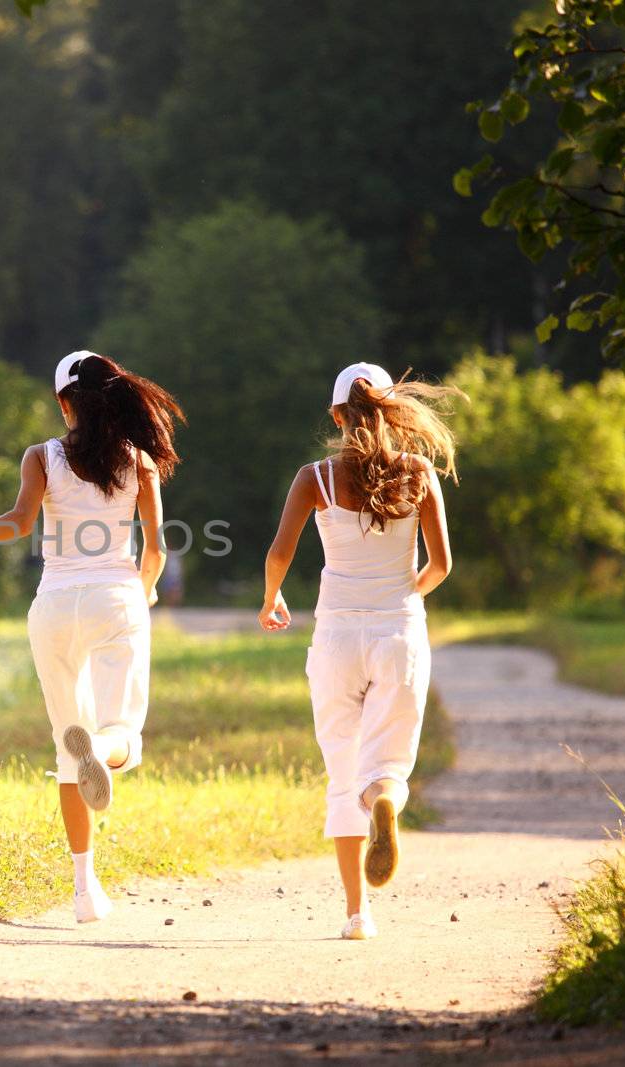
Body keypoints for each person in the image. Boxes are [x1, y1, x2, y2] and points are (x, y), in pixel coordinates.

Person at [0, 350, 183, 924]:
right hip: (117, 596)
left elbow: (16, 523)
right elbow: (156, 548)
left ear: (66, 403)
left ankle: (85, 891)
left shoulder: (43, 456)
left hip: (56, 604)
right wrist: (147, 589)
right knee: (122, 734)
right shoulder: (140, 461)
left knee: (69, 745)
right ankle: (105, 754)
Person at [257, 362, 460, 941]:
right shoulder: (418, 472)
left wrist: (272, 600)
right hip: (398, 632)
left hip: (337, 636)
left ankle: (356, 914)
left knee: (342, 769)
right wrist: (402, 597)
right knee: (386, 766)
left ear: (336, 416)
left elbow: (279, 553)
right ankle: (386, 803)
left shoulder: (314, 478)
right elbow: (441, 567)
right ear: (393, 409)